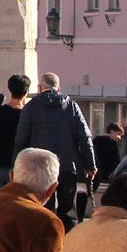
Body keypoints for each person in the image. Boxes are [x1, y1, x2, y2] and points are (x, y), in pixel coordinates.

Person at [15, 73, 95, 232]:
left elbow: (21, 139)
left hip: (39, 168)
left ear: (39, 88)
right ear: (58, 88)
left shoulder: (31, 107)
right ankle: (67, 245)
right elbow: (85, 137)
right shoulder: (72, 105)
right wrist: (90, 165)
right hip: (67, 166)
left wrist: (15, 166)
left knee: (42, 209)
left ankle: (45, 246)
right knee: (68, 211)